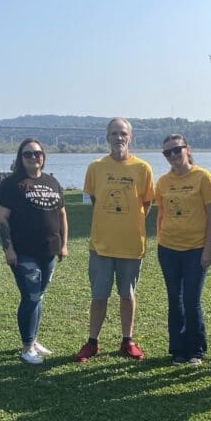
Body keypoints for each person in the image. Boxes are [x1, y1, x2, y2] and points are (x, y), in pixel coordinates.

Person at [76, 117, 155, 361]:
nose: (118, 138)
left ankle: (127, 340)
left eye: (123, 133)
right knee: (99, 296)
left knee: (127, 294)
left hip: (131, 245)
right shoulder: (96, 167)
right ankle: (92, 342)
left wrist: (129, 221)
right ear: (107, 137)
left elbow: (146, 203)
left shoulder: (143, 168)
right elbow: (95, 200)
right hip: (102, 245)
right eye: (114, 133)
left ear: (130, 137)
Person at [0, 138, 68, 364]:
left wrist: (64, 244)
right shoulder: (11, 184)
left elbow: (62, 214)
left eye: (37, 153)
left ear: (43, 156)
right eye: (28, 154)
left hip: (49, 251)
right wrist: (9, 249)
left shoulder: (52, 182)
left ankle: (33, 339)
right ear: (21, 158)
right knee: (31, 296)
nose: (34, 157)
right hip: (23, 252)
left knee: (39, 296)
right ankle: (27, 347)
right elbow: (1, 218)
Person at [155, 134, 211, 364]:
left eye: (176, 150)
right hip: (168, 249)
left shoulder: (203, 177)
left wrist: (207, 249)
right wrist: (159, 241)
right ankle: (178, 349)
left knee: (192, 300)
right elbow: (161, 214)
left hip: (195, 249)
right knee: (175, 299)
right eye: (167, 152)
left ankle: (196, 349)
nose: (173, 155)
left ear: (187, 149)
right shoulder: (162, 182)